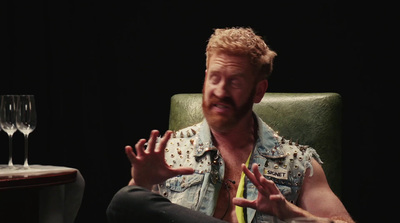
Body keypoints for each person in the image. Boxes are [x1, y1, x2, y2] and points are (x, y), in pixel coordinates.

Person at [107, 27, 354, 223]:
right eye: (215, 78)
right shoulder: (168, 152)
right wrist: (142, 182)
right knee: (126, 199)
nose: (221, 91)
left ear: (258, 91)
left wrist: (290, 213)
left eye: (235, 82)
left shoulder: (296, 163)